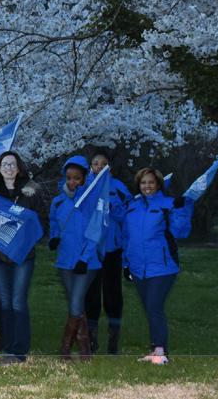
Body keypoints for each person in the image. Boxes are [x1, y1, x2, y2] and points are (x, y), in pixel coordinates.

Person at [122, 167, 193, 365]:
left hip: (162, 267)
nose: (147, 186)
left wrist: (181, 209)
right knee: (150, 309)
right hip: (137, 268)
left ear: (159, 184)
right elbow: (127, 237)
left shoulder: (168, 204)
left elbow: (180, 232)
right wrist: (126, 264)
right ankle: (156, 350)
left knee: (154, 307)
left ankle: (161, 353)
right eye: (143, 183)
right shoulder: (132, 206)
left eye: (151, 182)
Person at [0, 151, 41, 364]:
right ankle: (7, 346)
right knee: (4, 302)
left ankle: (20, 350)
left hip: (23, 254)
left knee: (18, 301)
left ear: (18, 167)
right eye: (4, 165)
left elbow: (41, 222)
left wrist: (26, 239)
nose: (8, 168)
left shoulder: (31, 191)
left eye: (12, 164)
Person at [49, 155, 102, 360]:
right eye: (69, 177)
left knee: (76, 301)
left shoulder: (91, 201)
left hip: (86, 262)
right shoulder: (59, 201)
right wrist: (54, 237)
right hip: (64, 261)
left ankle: (67, 348)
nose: (72, 182)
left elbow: (96, 231)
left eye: (77, 178)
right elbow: (54, 223)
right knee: (75, 303)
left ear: (84, 178)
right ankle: (83, 348)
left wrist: (85, 257)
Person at [84, 148, 132, 354]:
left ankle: (114, 338)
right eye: (96, 164)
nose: (100, 167)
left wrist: (114, 207)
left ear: (109, 167)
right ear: (90, 167)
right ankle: (91, 338)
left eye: (104, 164)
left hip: (112, 248)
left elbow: (129, 215)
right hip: (91, 248)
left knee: (113, 293)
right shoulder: (84, 187)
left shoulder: (118, 187)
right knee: (91, 293)